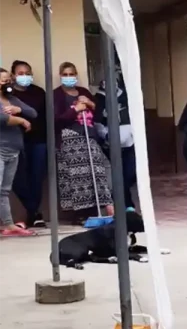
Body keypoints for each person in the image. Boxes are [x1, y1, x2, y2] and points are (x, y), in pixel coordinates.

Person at [53, 62, 112, 220]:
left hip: (89, 136)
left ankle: (99, 208)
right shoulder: (56, 95)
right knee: (77, 177)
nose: (68, 77)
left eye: (71, 74)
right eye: (65, 75)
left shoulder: (83, 92)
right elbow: (56, 120)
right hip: (69, 139)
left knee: (97, 172)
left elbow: (97, 112)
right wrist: (75, 110)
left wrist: (90, 103)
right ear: (60, 76)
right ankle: (80, 214)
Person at [10, 60, 47, 228]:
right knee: (18, 179)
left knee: (36, 178)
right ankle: (33, 211)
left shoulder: (39, 92)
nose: (24, 76)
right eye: (20, 73)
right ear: (13, 76)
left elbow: (45, 117)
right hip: (16, 142)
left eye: (27, 73)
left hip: (38, 140)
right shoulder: (8, 95)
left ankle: (34, 214)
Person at [0, 69, 36, 237]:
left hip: (14, 149)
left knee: (4, 190)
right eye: (2, 81)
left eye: (8, 80)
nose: (6, 84)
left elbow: (33, 113)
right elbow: (3, 119)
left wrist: (18, 110)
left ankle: (8, 224)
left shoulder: (12, 100)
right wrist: (21, 120)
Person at [94, 70, 136, 210]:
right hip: (110, 145)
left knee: (130, 174)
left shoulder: (125, 96)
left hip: (129, 144)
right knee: (118, 176)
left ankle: (124, 202)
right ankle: (127, 205)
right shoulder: (99, 99)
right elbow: (97, 121)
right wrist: (105, 136)